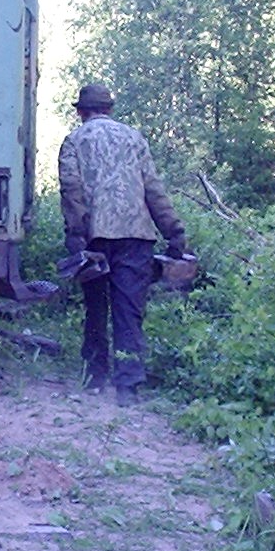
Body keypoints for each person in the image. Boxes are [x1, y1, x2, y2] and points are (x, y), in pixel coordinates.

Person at [58, 83, 188, 404]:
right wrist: (174, 232)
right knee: (129, 310)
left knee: (96, 307)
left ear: (80, 111)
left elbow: (71, 189)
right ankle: (128, 386)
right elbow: (154, 189)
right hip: (136, 237)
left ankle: (95, 377)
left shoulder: (74, 141)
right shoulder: (135, 139)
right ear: (110, 109)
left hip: (95, 237)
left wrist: (76, 235)